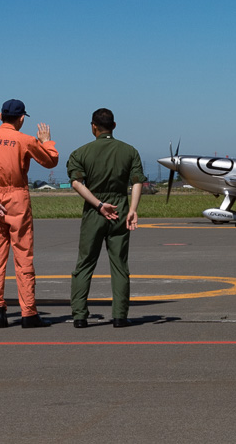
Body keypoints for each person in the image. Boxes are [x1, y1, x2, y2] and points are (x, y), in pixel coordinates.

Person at [0, 99, 59, 328]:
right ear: (21, 119)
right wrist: (47, 142)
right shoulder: (26, 140)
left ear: (0, 116)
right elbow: (51, 161)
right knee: (23, 257)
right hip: (17, 199)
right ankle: (28, 312)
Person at [66, 108, 145, 328]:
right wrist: (133, 209)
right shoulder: (130, 151)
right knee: (119, 265)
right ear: (114, 125)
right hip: (120, 208)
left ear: (93, 126)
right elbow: (137, 181)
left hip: (94, 210)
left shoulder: (80, 153)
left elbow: (76, 183)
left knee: (84, 264)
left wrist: (99, 205)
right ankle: (120, 315)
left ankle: (79, 316)